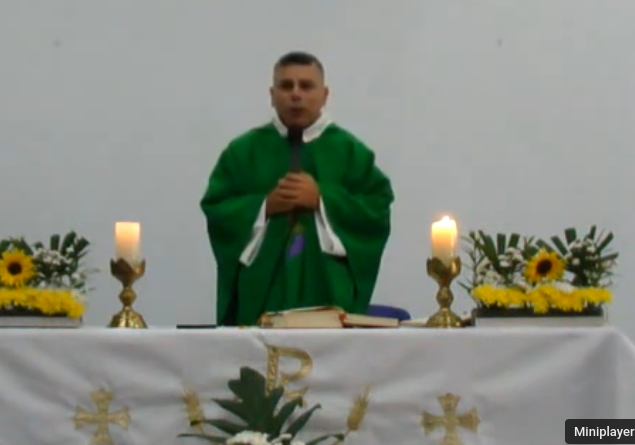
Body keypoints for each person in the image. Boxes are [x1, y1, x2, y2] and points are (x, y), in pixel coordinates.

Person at [200, 51, 394, 326]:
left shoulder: (350, 152)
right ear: (272, 95)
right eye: (286, 85)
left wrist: (322, 200)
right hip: (263, 292)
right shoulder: (243, 152)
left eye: (306, 86)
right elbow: (217, 207)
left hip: (327, 287)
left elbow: (377, 209)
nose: (295, 94)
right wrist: (264, 207)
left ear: (324, 95)